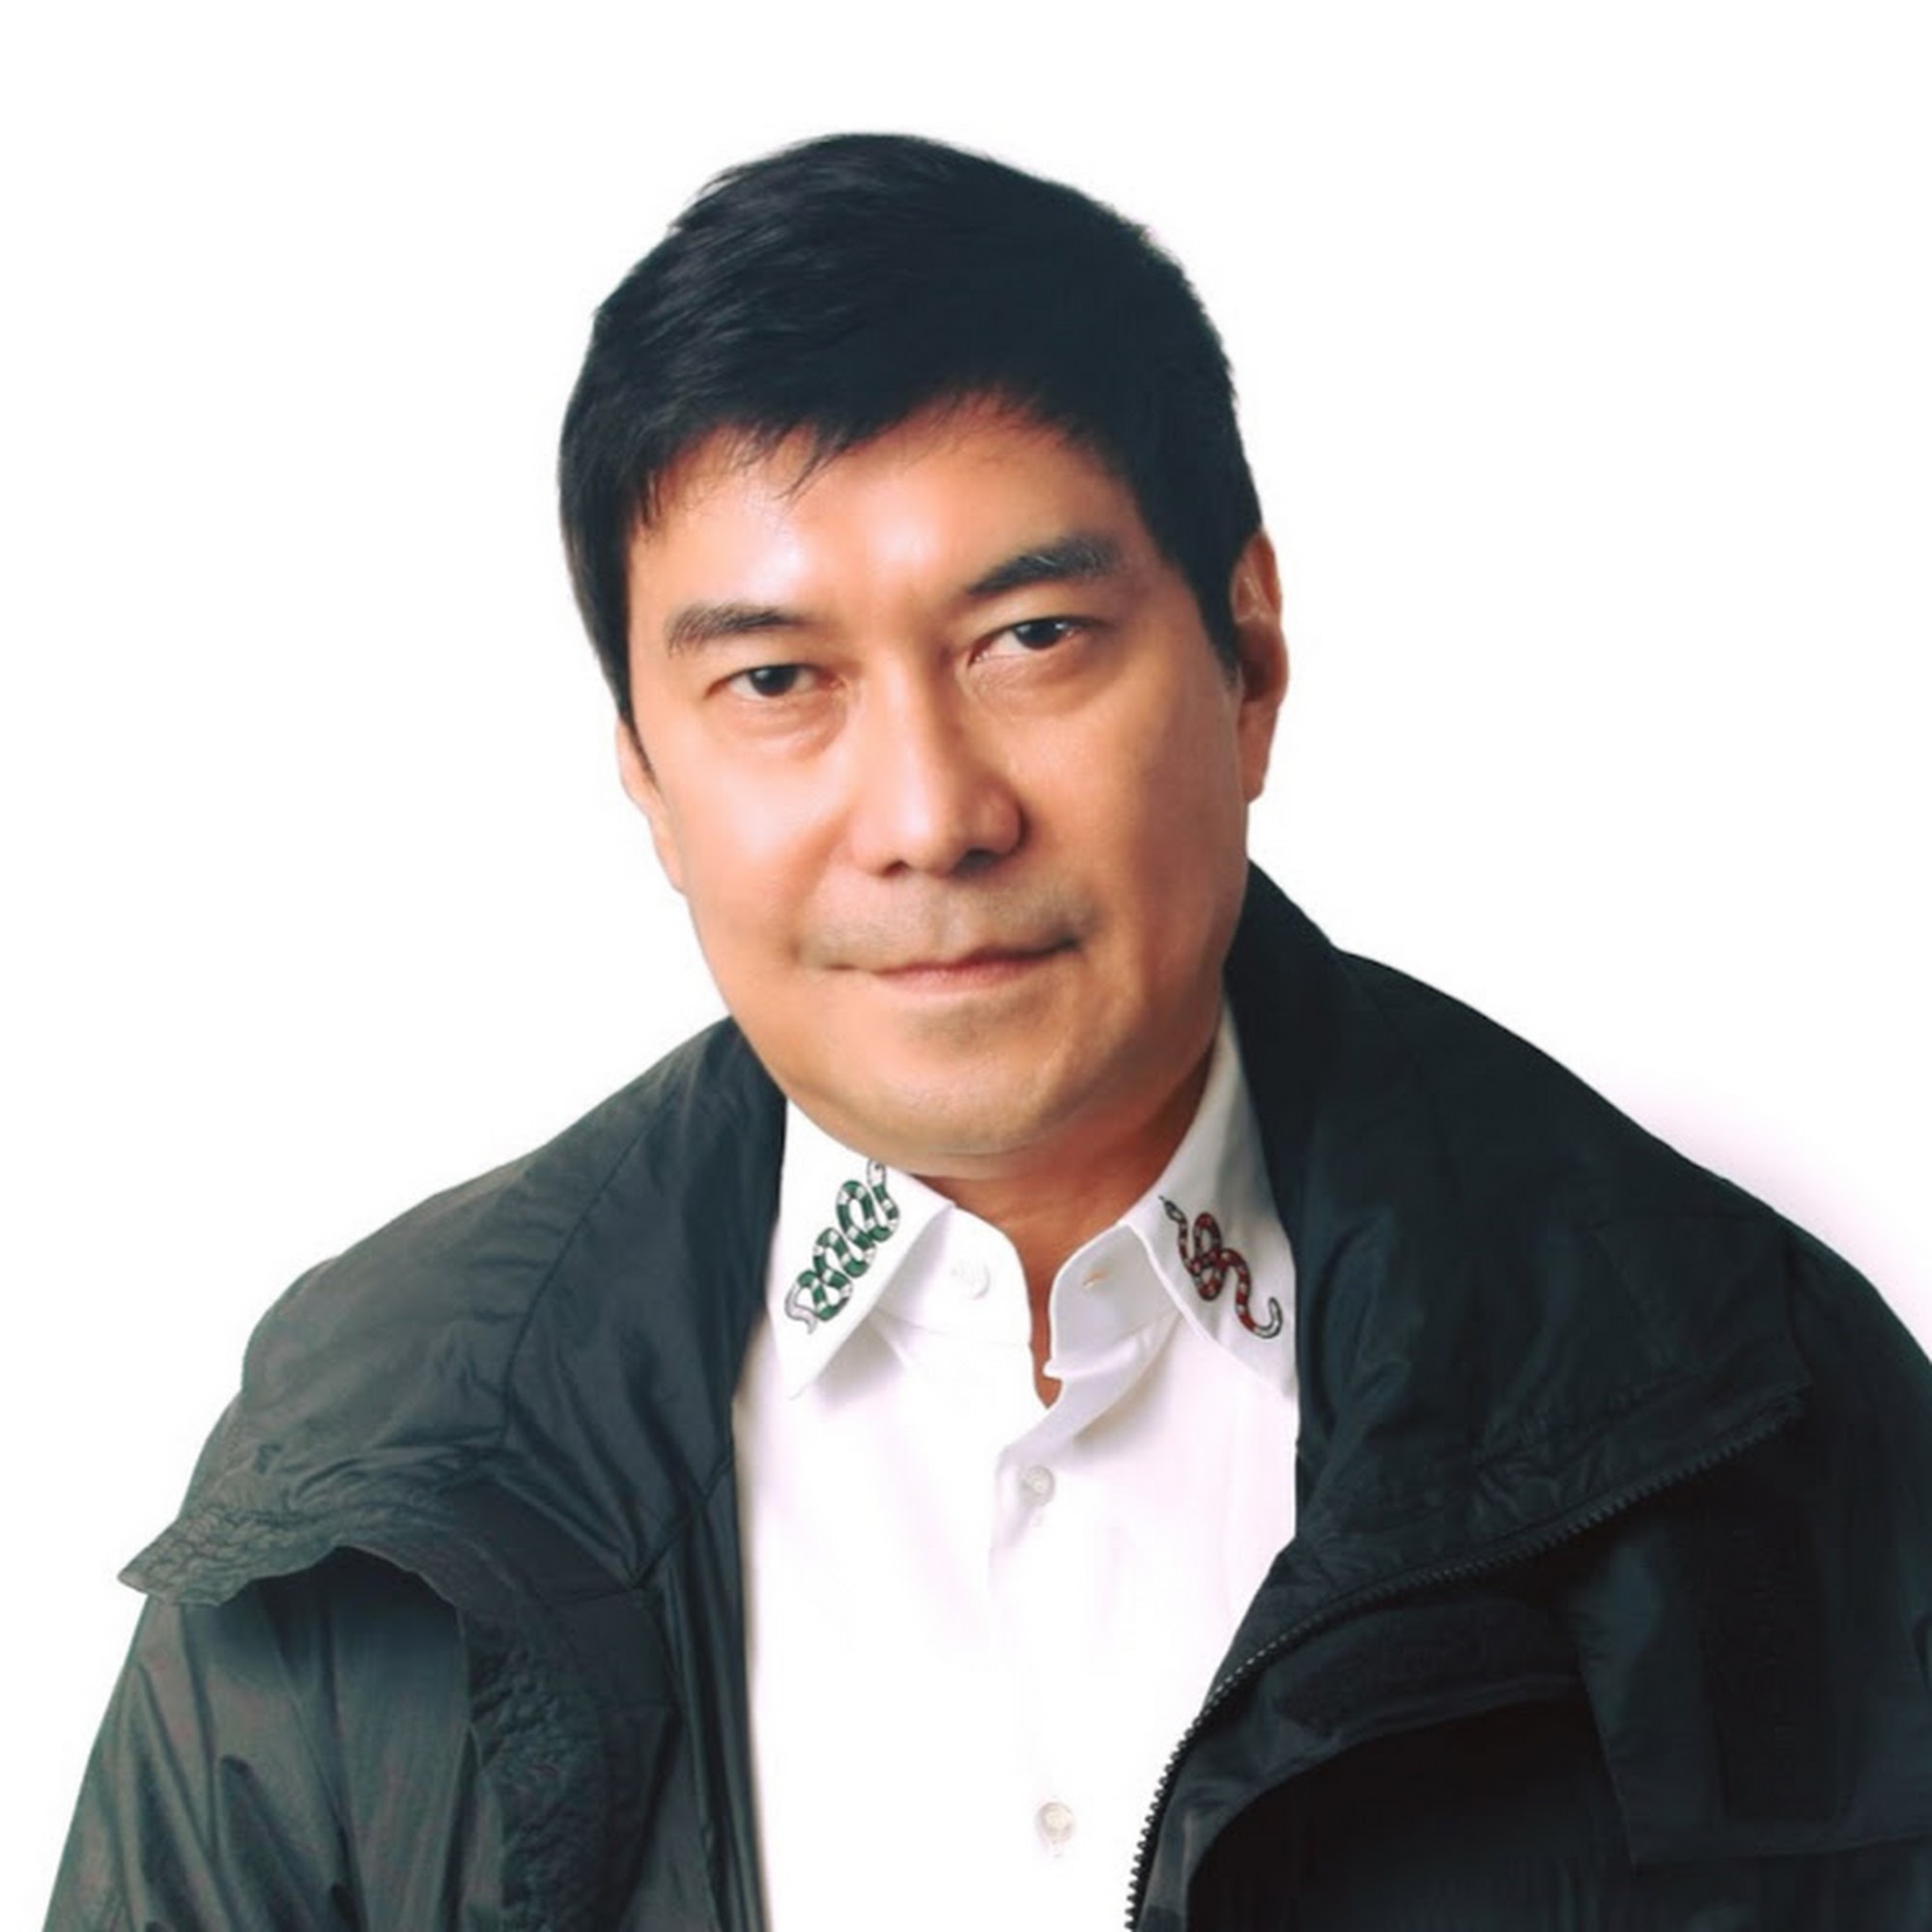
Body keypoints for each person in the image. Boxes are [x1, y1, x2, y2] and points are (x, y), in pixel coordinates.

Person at [48, 131, 1932, 1931]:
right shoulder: (370, 1475)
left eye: (1029, 640)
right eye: (775, 679)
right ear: (645, 772)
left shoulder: (1749, 1394)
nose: (930, 813)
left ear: (1248, 657)